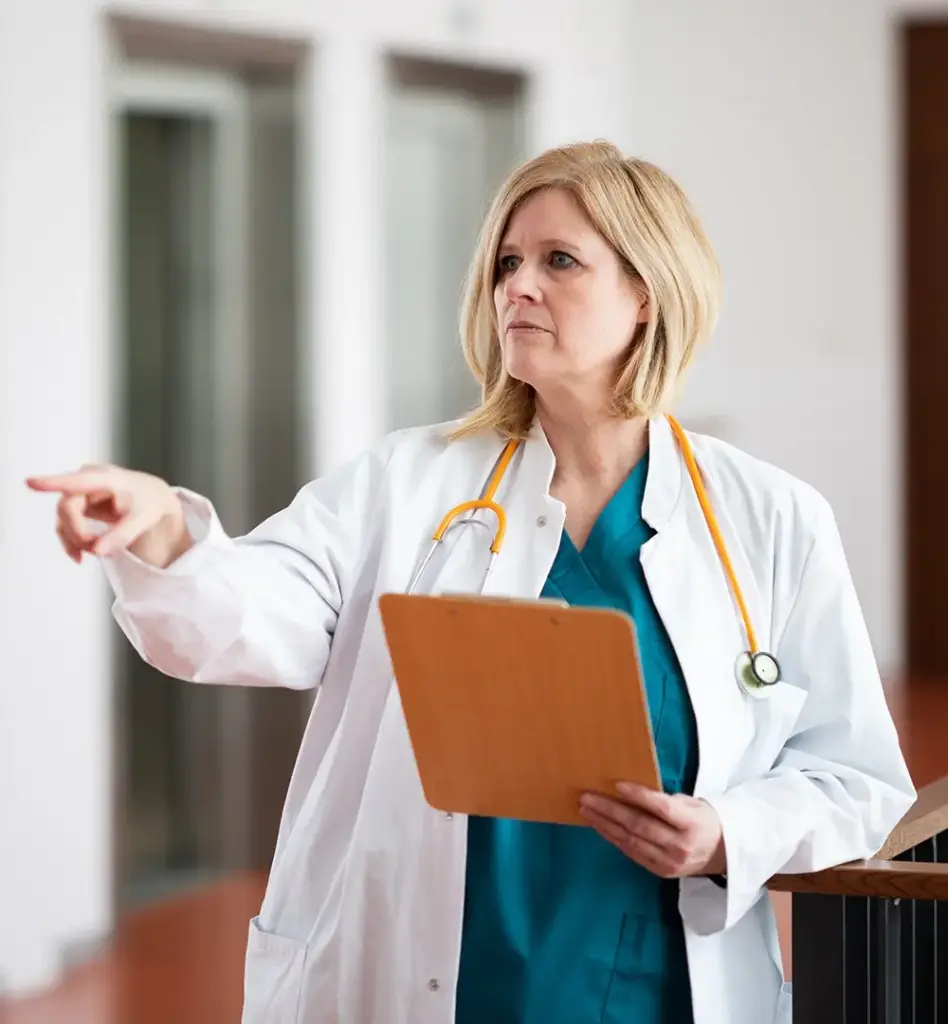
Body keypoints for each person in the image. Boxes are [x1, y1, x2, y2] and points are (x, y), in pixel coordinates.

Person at [27, 140, 915, 1024]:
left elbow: (857, 780)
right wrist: (168, 534)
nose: (516, 287)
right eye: (507, 262)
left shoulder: (770, 519)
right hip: (430, 976)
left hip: (652, 985)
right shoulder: (407, 483)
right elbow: (250, 619)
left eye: (558, 261)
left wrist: (729, 832)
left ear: (648, 293)